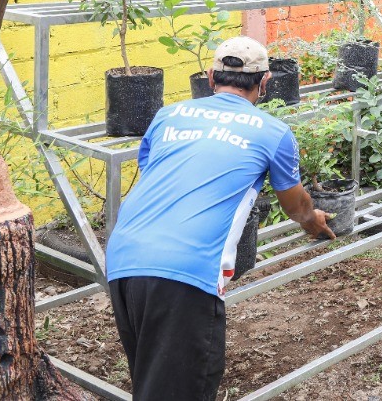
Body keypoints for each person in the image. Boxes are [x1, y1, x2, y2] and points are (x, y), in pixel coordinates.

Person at [105, 36, 334, 400]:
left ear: (211, 78)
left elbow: (157, 175)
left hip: (124, 259)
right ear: (265, 83)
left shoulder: (168, 116)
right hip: (185, 273)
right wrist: (315, 223)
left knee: (152, 383)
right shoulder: (272, 132)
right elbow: (297, 207)